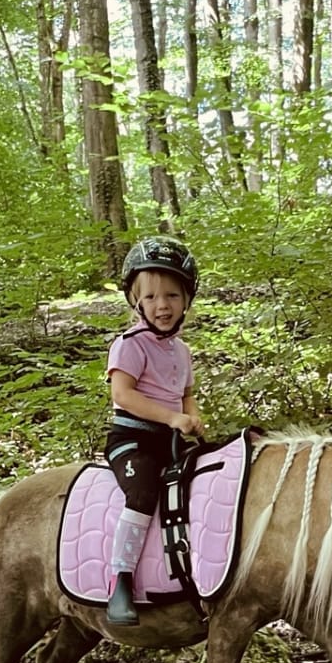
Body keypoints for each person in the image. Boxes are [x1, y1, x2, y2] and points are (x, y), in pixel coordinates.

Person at [103, 236, 206, 626]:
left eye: (172, 296)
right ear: (137, 302)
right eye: (151, 297)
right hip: (132, 440)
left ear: (186, 300)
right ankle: (121, 581)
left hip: (170, 439)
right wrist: (171, 417)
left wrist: (192, 417)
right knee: (143, 490)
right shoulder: (129, 344)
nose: (162, 305)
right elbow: (123, 395)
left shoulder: (182, 350)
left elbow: (187, 394)